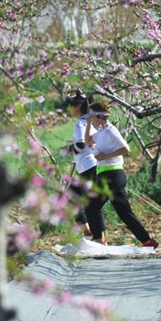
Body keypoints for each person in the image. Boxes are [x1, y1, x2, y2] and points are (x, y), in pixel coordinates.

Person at [83, 101, 159, 249]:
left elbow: (126, 148)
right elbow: (87, 141)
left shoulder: (111, 131)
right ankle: (147, 241)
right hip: (106, 175)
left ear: (100, 117)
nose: (91, 119)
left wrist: (104, 157)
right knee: (122, 212)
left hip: (113, 175)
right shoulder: (100, 132)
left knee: (92, 207)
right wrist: (87, 124)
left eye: (92, 116)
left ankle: (99, 240)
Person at [59, 90, 97, 238]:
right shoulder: (92, 120)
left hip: (88, 166)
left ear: (78, 106)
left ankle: (89, 233)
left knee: (71, 199)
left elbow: (81, 145)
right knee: (91, 204)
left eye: (70, 106)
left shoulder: (81, 123)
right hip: (96, 165)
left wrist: (68, 149)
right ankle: (94, 234)